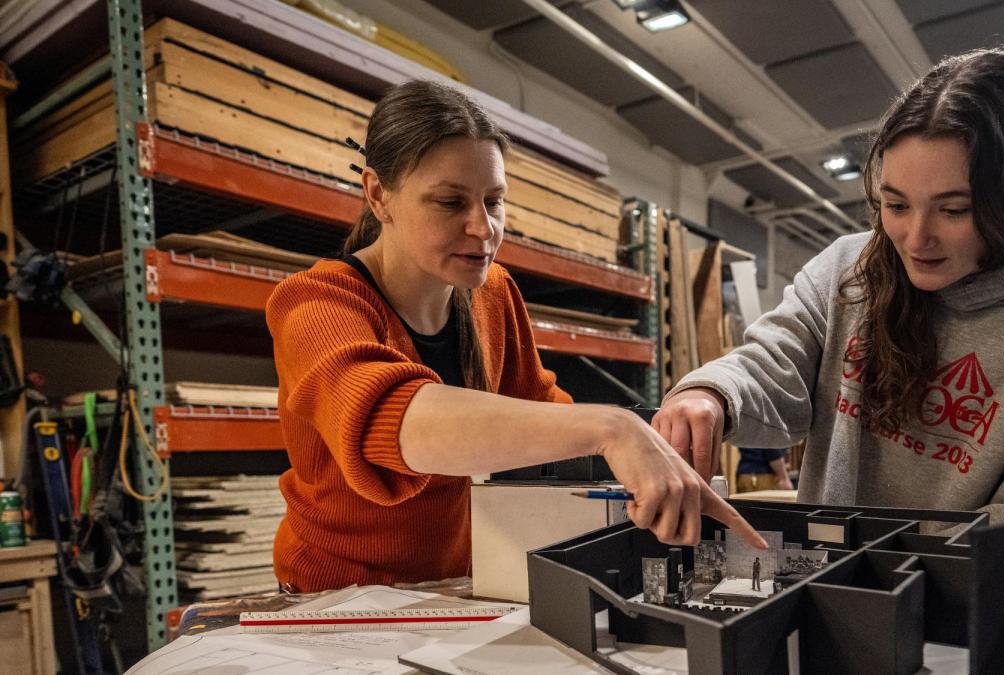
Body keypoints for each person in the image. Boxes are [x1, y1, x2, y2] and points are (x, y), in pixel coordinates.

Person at [267, 81, 763, 592]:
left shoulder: (492, 293)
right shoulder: (315, 304)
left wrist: (653, 451)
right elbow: (398, 423)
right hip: (333, 598)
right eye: (450, 201)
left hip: (458, 584)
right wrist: (613, 429)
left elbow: (540, 413)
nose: (483, 229)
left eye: (494, 201)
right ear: (378, 195)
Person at [652, 49, 1004, 524]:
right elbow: (774, 362)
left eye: (953, 210)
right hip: (826, 582)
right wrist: (710, 395)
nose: (916, 238)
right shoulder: (849, 269)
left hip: (963, 593)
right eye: (896, 205)